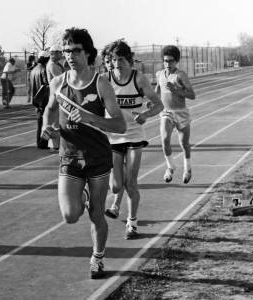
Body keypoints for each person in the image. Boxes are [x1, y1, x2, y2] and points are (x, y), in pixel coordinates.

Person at [41, 27, 126, 279]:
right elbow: (49, 109)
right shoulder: (58, 82)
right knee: (70, 215)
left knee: (96, 214)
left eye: (75, 50)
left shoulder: (101, 83)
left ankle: (97, 258)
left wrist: (90, 117)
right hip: (70, 156)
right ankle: (84, 193)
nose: (69, 55)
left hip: (98, 157)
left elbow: (119, 125)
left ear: (88, 53)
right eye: (66, 50)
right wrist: (48, 125)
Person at [104, 40, 163, 239]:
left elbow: (159, 105)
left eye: (121, 60)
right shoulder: (106, 79)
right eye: (113, 60)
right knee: (115, 185)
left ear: (130, 61)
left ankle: (132, 223)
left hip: (134, 136)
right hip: (113, 137)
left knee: (131, 183)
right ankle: (115, 203)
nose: (117, 64)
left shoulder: (139, 80)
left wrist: (146, 115)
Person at [155, 45, 195, 184]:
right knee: (165, 139)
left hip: (181, 113)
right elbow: (157, 91)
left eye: (171, 61)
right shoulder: (159, 74)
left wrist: (176, 90)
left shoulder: (180, 75)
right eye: (165, 61)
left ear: (176, 61)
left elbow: (192, 95)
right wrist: (153, 103)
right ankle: (170, 167)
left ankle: (187, 168)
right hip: (166, 112)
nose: (167, 64)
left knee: (184, 143)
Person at [29, 51, 50, 149]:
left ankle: (39, 142)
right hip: (44, 99)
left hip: (36, 99)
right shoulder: (43, 69)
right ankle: (43, 143)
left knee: (40, 122)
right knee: (45, 122)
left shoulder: (33, 69)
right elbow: (46, 84)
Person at [46, 44, 65, 152]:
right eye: (59, 53)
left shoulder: (57, 64)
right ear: (54, 53)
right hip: (56, 95)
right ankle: (54, 145)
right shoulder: (52, 65)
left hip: (58, 94)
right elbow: (61, 78)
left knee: (57, 120)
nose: (61, 54)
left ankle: (55, 144)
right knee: (55, 121)